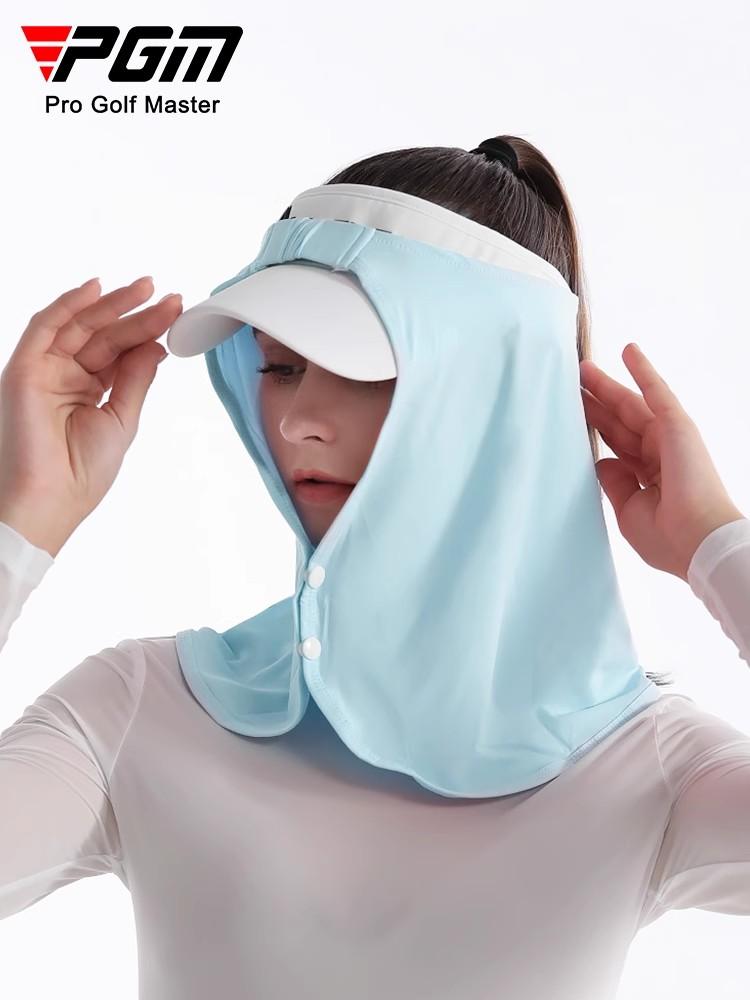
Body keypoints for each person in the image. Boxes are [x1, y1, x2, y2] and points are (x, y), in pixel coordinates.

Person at [1, 137, 749, 1000]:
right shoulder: (141, 710)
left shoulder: (643, 767)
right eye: (280, 366)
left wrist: (715, 542)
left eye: (365, 372)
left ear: (502, 401)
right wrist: (21, 522)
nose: (297, 421)